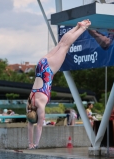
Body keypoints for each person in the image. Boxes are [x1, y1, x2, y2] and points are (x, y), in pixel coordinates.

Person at [26, 19, 91, 149]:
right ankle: (77, 26)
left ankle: (83, 28)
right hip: (40, 65)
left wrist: (36, 145)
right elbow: (29, 125)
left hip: (48, 70)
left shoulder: (40, 104)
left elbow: (38, 126)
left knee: (65, 46)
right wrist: (29, 143)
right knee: (61, 43)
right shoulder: (29, 102)